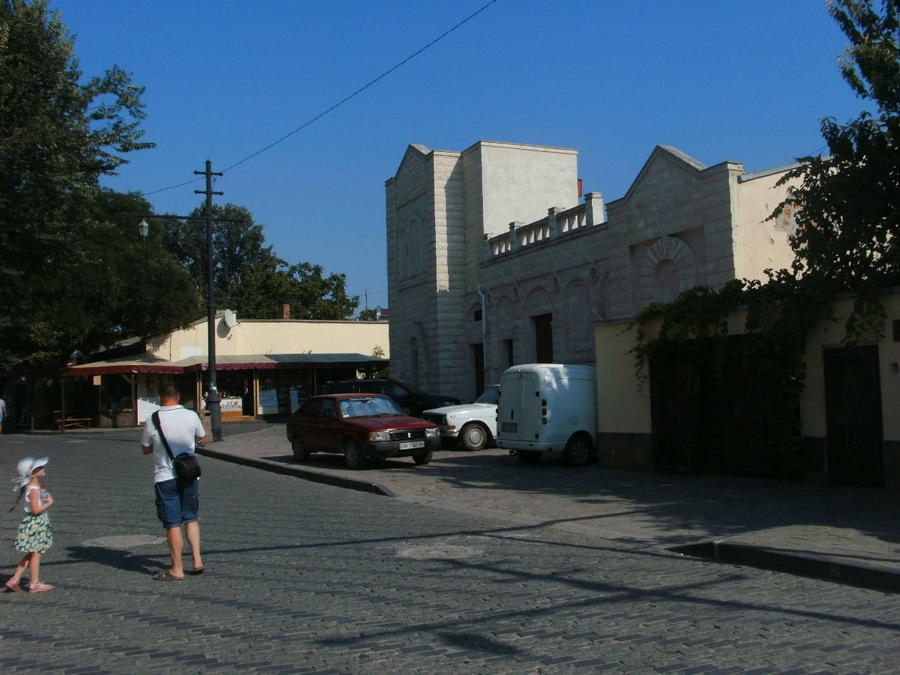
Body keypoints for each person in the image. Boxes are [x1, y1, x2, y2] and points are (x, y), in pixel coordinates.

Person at [141, 382, 207, 580]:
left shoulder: (153, 419)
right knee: (191, 518)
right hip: (189, 474)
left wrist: (159, 446)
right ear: (178, 397)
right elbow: (203, 439)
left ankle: (177, 568)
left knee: (172, 523)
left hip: (165, 476)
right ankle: (197, 561)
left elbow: (145, 448)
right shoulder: (191, 415)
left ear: (160, 398)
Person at [6, 456, 54, 593]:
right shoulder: (33, 488)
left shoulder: (33, 485)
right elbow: (36, 509)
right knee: (36, 554)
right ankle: (34, 584)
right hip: (36, 521)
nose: (43, 469)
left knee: (32, 552)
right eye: (40, 468)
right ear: (33, 473)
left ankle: (15, 579)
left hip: (35, 521)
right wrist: (50, 502)